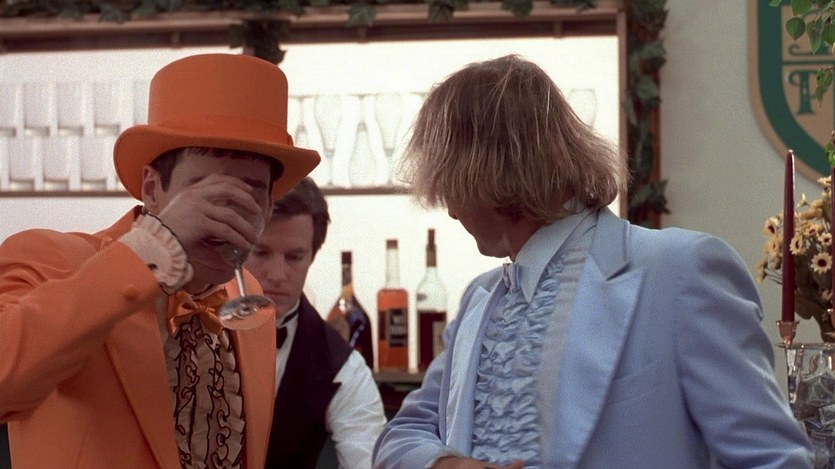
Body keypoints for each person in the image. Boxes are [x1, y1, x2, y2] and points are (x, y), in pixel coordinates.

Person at [372, 55, 814, 469]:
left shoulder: (679, 270)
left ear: (488, 174)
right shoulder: (480, 298)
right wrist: (447, 463)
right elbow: (402, 434)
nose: (450, 210)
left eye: (451, 184)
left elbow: (774, 458)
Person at [0, 53, 320, 468]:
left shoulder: (249, 301)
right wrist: (151, 250)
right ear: (152, 189)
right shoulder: (50, 258)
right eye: (204, 189)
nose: (228, 213)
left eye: (252, 192)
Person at [243, 177, 386, 469]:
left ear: (313, 256)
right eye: (261, 252)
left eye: (294, 257)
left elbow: (371, 460)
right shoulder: (183, 321)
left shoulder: (342, 367)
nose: (277, 274)